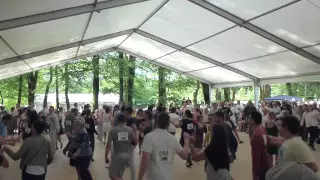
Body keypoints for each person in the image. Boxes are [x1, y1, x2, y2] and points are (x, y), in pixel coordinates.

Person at [138, 112, 190, 180]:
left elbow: (144, 161)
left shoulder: (149, 137)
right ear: (168, 124)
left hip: (153, 177)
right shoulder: (173, 138)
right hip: (168, 177)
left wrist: (139, 178)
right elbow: (184, 156)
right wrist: (187, 141)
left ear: (156, 123)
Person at [105, 114, 138, 180]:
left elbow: (108, 145)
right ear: (125, 120)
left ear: (116, 120)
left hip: (117, 155)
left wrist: (106, 157)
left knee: (112, 175)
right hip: (127, 155)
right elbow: (135, 141)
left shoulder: (113, 131)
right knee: (119, 175)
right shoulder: (130, 129)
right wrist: (136, 131)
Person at [249, 112, 271, 180]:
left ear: (253, 120)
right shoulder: (262, 131)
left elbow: (256, 156)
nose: (248, 120)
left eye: (249, 118)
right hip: (266, 163)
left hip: (261, 166)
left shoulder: (256, 135)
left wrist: (255, 173)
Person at [125, 107, 138, 180]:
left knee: (131, 161)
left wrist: (134, 138)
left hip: (131, 142)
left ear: (127, 111)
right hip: (131, 142)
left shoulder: (130, 119)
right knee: (129, 160)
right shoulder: (133, 119)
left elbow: (135, 128)